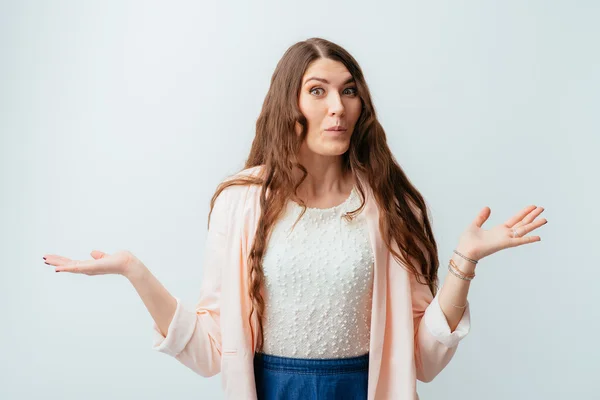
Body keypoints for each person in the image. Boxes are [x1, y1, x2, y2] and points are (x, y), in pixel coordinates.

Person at [42, 37, 547, 400]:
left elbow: (425, 359)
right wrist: (135, 270)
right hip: (274, 388)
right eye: (318, 91)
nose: (338, 108)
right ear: (291, 103)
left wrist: (464, 262)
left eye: (349, 91)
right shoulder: (241, 204)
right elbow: (212, 350)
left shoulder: (391, 206)